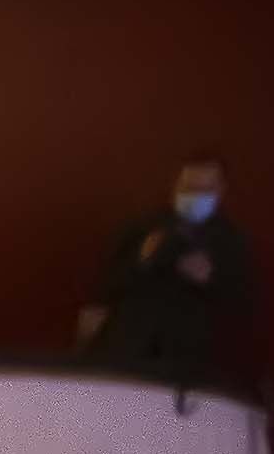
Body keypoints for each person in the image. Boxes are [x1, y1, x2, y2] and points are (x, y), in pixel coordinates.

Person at [78, 149, 257, 386]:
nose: (195, 196)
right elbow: (107, 285)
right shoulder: (142, 228)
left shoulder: (232, 242)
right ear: (175, 186)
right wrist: (142, 260)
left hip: (189, 366)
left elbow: (243, 308)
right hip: (127, 352)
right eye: (188, 187)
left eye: (204, 190)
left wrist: (210, 279)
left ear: (221, 191)